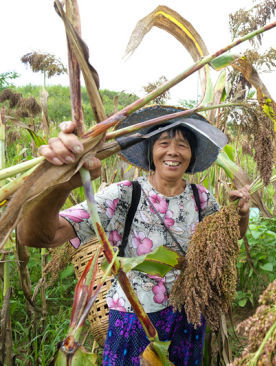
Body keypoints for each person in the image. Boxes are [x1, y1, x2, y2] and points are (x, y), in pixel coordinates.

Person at [17, 105, 251, 365]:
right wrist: (63, 182)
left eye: (183, 144)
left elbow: (229, 240)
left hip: (189, 315)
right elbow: (39, 236)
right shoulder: (124, 194)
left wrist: (240, 215)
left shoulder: (202, 198)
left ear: (191, 155)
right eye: (164, 142)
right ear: (151, 151)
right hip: (135, 318)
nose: (173, 151)